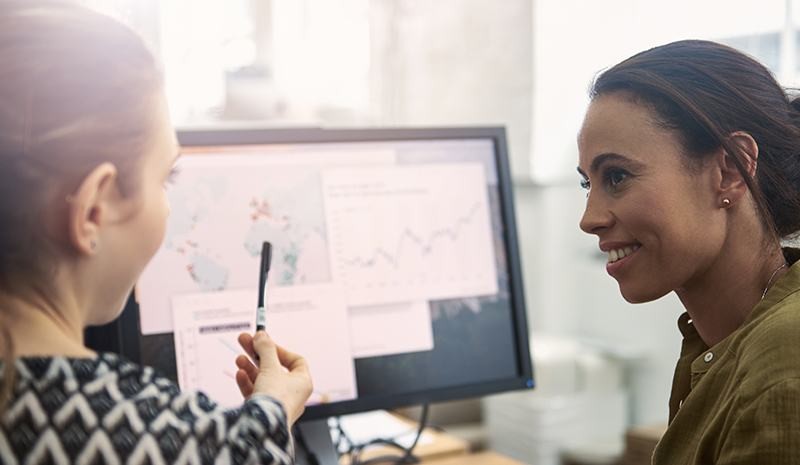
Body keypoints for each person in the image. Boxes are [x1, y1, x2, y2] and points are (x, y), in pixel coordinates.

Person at [0, 2, 312, 463]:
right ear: (92, 211)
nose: (167, 205)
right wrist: (266, 426)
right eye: (166, 178)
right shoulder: (175, 440)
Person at [577, 39, 800, 463]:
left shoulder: (784, 370)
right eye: (588, 182)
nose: (589, 219)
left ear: (729, 170)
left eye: (617, 176)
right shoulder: (721, 338)